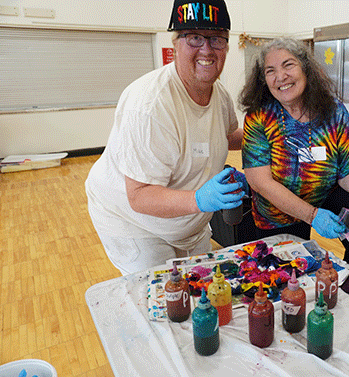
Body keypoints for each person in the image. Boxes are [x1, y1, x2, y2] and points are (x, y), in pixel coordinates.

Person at [85, 0, 245, 275]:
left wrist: (268, 134)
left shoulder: (220, 96)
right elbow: (139, 197)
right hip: (134, 222)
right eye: (194, 37)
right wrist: (199, 199)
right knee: (163, 302)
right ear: (175, 44)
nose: (206, 49)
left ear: (227, 46)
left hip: (188, 222)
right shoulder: (150, 105)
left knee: (202, 290)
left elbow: (227, 136)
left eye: (217, 39)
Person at [239, 37, 349, 267]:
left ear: (306, 68)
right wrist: (311, 215)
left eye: (288, 65)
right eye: (270, 71)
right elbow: (260, 182)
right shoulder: (259, 117)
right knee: (285, 277)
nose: (280, 77)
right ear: (263, 79)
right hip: (276, 215)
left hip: (324, 194)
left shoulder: (333, 110)